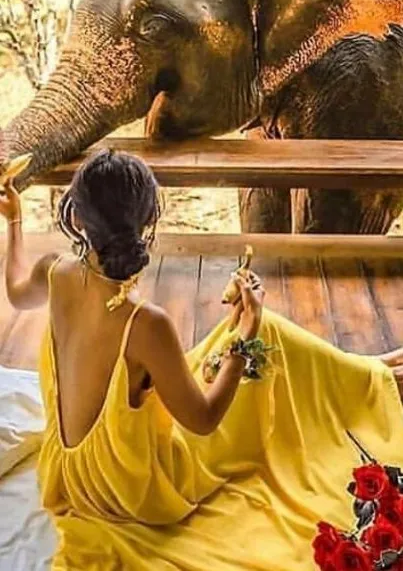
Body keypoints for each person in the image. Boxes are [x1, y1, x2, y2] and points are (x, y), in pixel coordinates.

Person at [1, 148, 403, 571]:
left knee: (238, 344)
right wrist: (248, 329)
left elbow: (13, 291)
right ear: (147, 222)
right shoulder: (144, 322)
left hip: (71, 478)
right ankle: (372, 378)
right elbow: (205, 419)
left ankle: (370, 371)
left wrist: (14, 219)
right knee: (267, 335)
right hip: (135, 491)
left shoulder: (54, 269)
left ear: (78, 218)